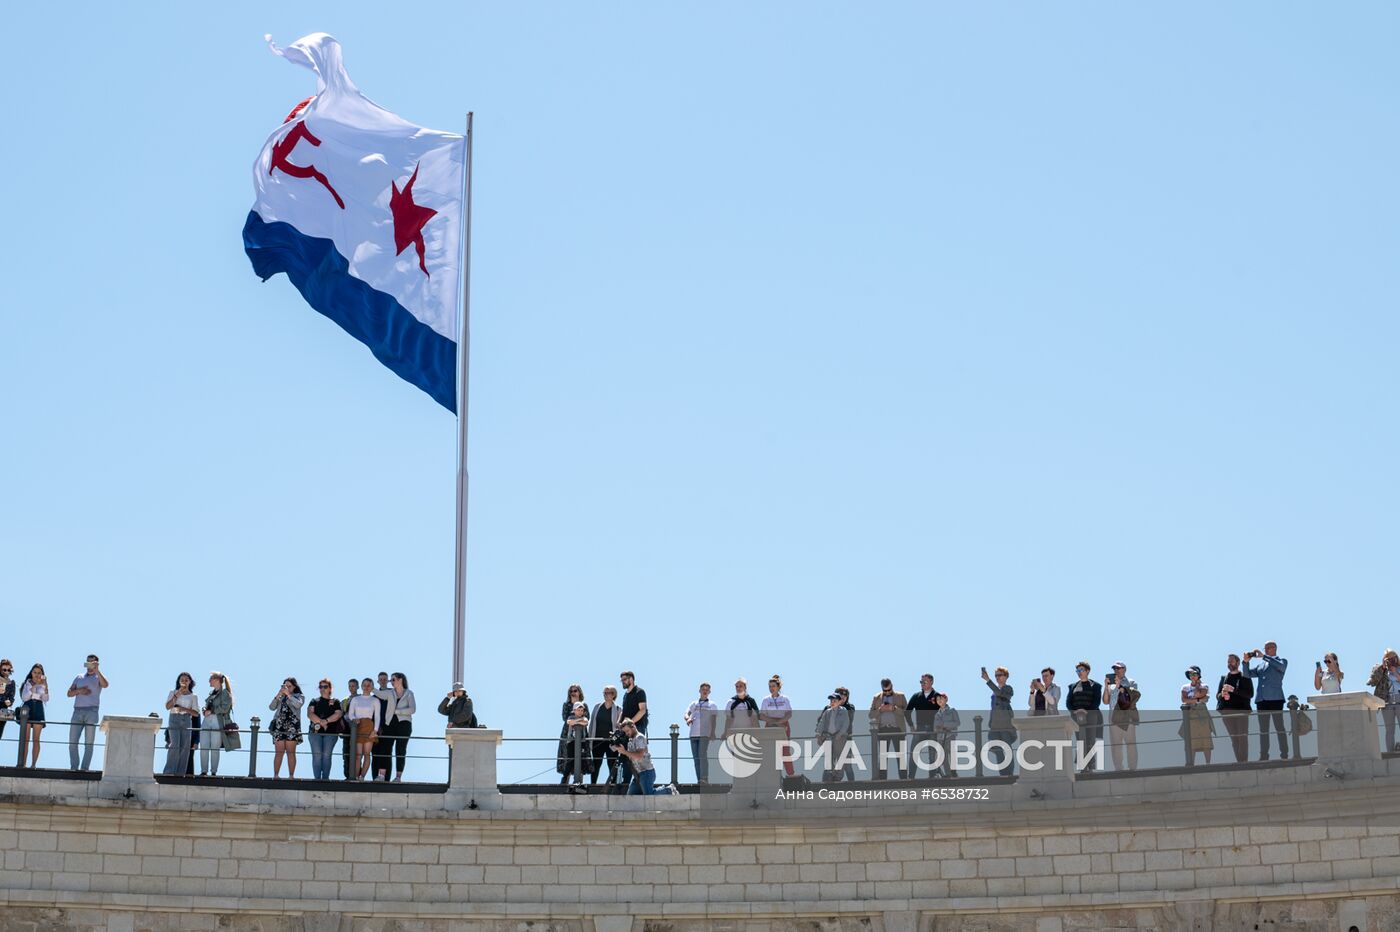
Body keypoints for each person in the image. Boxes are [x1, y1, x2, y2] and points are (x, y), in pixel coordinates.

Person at [1244, 641, 1289, 760]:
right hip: (1262, 700)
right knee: (1263, 730)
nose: (1268, 649)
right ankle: (1264, 755)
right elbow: (1247, 674)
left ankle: (1284, 754)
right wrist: (1245, 662)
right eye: (1266, 647)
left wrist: (1264, 656)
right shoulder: (1261, 665)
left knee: (1279, 727)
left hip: (1275, 699)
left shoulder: (1282, 661)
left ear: (1275, 648)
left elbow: (1281, 667)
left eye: (1270, 647)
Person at [66, 654, 107, 771]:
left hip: (92, 712)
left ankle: (84, 769)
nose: (89, 665)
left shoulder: (98, 677)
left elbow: (105, 685)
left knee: (89, 743)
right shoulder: (79, 677)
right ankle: (74, 767)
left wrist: (97, 671)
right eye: (88, 662)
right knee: (72, 742)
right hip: (77, 711)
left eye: (92, 663)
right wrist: (80, 690)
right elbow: (69, 693)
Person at [1065, 662, 1104, 773]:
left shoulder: (1095, 685)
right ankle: (1082, 767)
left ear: (1087, 671)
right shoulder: (1073, 686)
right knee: (1080, 741)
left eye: (1081, 670)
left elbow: (1096, 701)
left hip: (1091, 715)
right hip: (1077, 716)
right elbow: (1068, 702)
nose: (1079, 673)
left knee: (1090, 739)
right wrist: (1075, 711)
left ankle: (1091, 767)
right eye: (1077, 671)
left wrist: (1086, 710)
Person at [1216, 654, 1255, 763]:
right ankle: (1239, 761)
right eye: (1228, 662)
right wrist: (1222, 694)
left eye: (1231, 661)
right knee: (1234, 738)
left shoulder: (1245, 677)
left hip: (1242, 711)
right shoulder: (1224, 678)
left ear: (1238, 663)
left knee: (1242, 737)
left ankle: (1244, 761)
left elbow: (1250, 694)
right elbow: (1217, 695)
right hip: (1226, 712)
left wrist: (1234, 690)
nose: (1229, 664)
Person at [1103, 661, 1140, 772]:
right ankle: (1118, 768)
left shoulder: (1131, 682)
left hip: (1127, 716)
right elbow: (1105, 701)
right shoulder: (1111, 685)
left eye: (1119, 668)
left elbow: (1133, 697)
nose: (1116, 671)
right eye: (1115, 669)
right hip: (1114, 717)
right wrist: (1106, 687)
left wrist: (1120, 686)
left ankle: (1132, 768)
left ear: (1125, 669)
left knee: (1131, 743)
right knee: (1116, 744)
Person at [868, 678, 907, 780]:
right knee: (883, 756)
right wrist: (880, 710)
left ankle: (904, 779)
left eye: (889, 690)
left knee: (901, 755)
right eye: (885, 691)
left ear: (892, 686)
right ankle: (882, 780)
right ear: (882, 688)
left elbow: (906, 713)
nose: (887, 692)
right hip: (883, 730)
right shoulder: (876, 698)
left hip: (898, 729)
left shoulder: (900, 696)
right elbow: (871, 714)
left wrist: (894, 708)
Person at [306, 678, 345, 781]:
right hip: (315, 733)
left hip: (331, 733)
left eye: (325, 686)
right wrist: (322, 723)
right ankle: (317, 780)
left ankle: (325, 779)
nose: (322, 689)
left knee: (327, 756)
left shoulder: (336, 701)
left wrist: (326, 721)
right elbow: (310, 714)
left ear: (330, 688)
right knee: (317, 756)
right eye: (320, 687)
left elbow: (338, 714)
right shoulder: (314, 701)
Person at [162, 672, 199, 775]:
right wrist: (176, 695)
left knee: (185, 747)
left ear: (190, 682)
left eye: (186, 680)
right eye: (182, 680)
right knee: (175, 744)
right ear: (179, 682)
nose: (184, 682)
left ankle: (180, 773)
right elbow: (167, 707)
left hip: (186, 719)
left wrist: (183, 709)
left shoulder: (193, 696)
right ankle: (169, 771)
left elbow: (196, 713)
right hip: (174, 718)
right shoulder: (173, 692)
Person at [981, 665, 1015, 776]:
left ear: (1006, 676)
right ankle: (1003, 773)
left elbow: (1001, 694)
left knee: (1007, 750)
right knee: (997, 749)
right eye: (996, 676)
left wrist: (988, 680)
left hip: (1005, 725)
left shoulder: (1008, 689)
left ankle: (1008, 773)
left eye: (1000, 675)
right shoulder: (994, 692)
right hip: (995, 726)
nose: (997, 677)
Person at [268, 677, 305, 778]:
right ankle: (276, 775)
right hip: (279, 726)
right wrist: (279, 694)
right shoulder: (280, 696)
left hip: (292, 726)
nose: (287, 688)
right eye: (285, 686)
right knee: (279, 752)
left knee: (290, 752)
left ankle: (291, 776)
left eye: (289, 686)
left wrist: (288, 694)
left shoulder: (299, 696)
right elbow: (271, 707)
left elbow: (298, 705)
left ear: (294, 687)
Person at [346, 678, 381, 779]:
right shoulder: (355, 699)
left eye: (368, 685)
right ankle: (356, 776)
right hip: (357, 726)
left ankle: (362, 776)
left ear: (371, 687)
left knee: (367, 754)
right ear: (361, 686)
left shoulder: (375, 700)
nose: (366, 687)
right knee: (358, 755)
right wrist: (354, 719)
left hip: (369, 727)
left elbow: (377, 716)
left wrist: (375, 730)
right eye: (364, 685)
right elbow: (350, 714)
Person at [761, 675, 795, 778]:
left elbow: (789, 714)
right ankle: (770, 775)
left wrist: (780, 722)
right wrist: (773, 721)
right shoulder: (766, 700)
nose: (771, 688)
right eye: (769, 686)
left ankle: (791, 775)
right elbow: (761, 715)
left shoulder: (785, 699)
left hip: (783, 725)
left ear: (778, 687)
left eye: (773, 686)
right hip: (770, 725)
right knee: (769, 751)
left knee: (785, 751)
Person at [200, 672, 234, 776]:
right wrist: (204, 710)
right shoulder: (211, 693)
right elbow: (207, 706)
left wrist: (212, 711)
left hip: (217, 721)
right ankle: (204, 771)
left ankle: (213, 771)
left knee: (215, 747)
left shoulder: (225, 693)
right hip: (206, 721)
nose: (209, 681)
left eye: (211, 678)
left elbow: (225, 707)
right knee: (204, 746)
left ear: (217, 680)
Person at [684, 682, 718, 784]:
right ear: (699, 691)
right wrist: (688, 719)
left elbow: (714, 720)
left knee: (702, 754)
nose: (705, 691)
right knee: (696, 758)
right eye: (703, 689)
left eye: (707, 690)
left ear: (709, 692)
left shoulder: (712, 705)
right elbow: (686, 713)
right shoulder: (693, 704)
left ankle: (704, 778)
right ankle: (699, 779)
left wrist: (713, 733)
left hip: (704, 733)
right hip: (693, 733)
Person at [905, 673, 939, 778]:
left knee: (932, 754)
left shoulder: (937, 696)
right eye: (921, 682)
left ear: (931, 682)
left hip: (933, 729)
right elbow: (907, 712)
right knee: (914, 753)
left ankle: (932, 777)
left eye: (924, 682)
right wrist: (911, 726)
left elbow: (943, 711)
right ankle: (911, 778)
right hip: (919, 729)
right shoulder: (916, 696)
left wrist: (939, 727)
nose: (922, 684)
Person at [613, 719, 658, 795]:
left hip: (647, 772)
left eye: (627, 731)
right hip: (638, 774)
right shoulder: (630, 741)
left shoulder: (639, 738)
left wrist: (624, 752)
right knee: (631, 797)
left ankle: (668, 790)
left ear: (633, 726)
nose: (626, 733)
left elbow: (639, 756)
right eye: (625, 732)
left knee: (648, 796)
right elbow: (631, 760)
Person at [1180, 666, 1215, 765]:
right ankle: (1191, 763)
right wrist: (1199, 700)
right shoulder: (1185, 687)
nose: (1192, 676)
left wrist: (1198, 687)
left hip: (1202, 713)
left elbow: (1199, 694)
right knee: (1191, 739)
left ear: (1199, 675)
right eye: (1190, 674)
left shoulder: (1204, 685)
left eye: (1194, 674)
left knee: (1206, 739)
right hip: (1190, 713)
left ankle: (1208, 763)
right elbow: (1184, 699)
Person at [590, 685, 624, 788]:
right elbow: (591, 724)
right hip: (597, 740)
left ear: (613, 695)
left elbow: (619, 728)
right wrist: (590, 739)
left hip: (611, 742)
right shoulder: (597, 707)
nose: (605, 695)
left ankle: (613, 785)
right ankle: (593, 785)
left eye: (608, 693)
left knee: (612, 764)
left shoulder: (618, 709)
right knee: (596, 764)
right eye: (604, 693)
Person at [384, 673, 416, 782]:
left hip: (404, 724)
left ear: (400, 680)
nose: (391, 682)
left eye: (393, 679)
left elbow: (412, 710)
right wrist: (372, 688)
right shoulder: (390, 693)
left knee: (400, 750)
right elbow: (379, 694)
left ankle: (398, 777)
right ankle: (382, 775)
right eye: (390, 680)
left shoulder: (409, 694)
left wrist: (398, 711)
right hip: (390, 724)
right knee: (387, 748)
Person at [1369, 650, 1400, 753]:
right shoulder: (1380, 670)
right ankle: (1390, 752)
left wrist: (1395, 672)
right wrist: (1382, 667)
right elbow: (1372, 682)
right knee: (1389, 729)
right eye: (1389, 659)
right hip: (1387, 700)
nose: (1391, 661)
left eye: (1393, 658)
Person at [815, 692, 849, 783]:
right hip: (828, 737)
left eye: (834, 701)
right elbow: (821, 723)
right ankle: (831, 776)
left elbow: (846, 724)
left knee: (840, 758)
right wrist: (818, 734)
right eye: (831, 701)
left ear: (839, 701)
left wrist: (840, 734)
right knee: (829, 758)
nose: (832, 702)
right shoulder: (827, 712)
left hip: (839, 737)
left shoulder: (843, 710)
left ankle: (838, 777)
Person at [557, 685, 588, 786]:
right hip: (568, 734)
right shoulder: (566, 705)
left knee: (581, 757)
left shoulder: (584, 705)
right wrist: (578, 720)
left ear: (579, 692)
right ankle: (565, 781)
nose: (573, 693)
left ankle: (579, 782)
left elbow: (587, 718)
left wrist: (575, 721)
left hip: (582, 735)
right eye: (571, 691)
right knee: (568, 758)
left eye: (575, 690)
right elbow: (565, 719)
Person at [20, 663, 49, 768]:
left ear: (42, 674)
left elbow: (45, 699)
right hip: (27, 709)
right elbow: (24, 697)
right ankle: (23, 764)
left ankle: (33, 765)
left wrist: (45, 687)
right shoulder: (27, 683)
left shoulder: (44, 684)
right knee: (25, 739)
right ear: (31, 673)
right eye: (35, 672)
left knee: (36, 739)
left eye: (39, 673)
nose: (37, 675)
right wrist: (36, 687)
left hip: (38, 709)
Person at [372, 672, 396, 781]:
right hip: (375, 728)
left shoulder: (393, 693)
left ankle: (386, 779)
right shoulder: (373, 697)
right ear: (378, 681)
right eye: (380, 679)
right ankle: (375, 777)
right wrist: (375, 727)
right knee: (375, 753)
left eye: (384, 679)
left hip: (389, 727)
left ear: (388, 681)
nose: (382, 681)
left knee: (387, 753)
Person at [933, 692, 961, 777]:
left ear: (946, 699)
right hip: (940, 737)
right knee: (943, 756)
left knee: (951, 754)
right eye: (937, 700)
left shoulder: (952, 711)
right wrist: (940, 728)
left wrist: (944, 725)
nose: (939, 701)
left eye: (941, 698)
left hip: (950, 735)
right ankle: (948, 773)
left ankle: (953, 771)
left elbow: (957, 723)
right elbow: (935, 727)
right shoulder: (937, 714)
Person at [835, 687, 857, 782]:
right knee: (830, 765)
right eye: (840, 694)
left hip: (845, 739)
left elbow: (848, 719)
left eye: (845, 695)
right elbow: (821, 720)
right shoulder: (829, 707)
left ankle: (852, 787)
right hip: (832, 740)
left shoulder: (850, 707)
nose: (843, 696)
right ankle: (827, 789)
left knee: (847, 765)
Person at [341, 677, 361, 780]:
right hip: (347, 729)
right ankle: (347, 775)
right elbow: (341, 714)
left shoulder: (362, 698)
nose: (351, 688)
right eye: (349, 686)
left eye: (353, 686)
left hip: (359, 729)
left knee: (358, 754)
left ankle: (357, 775)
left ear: (357, 687)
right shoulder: (344, 701)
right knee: (346, 753)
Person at [0, 659, 16, 744]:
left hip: (3, 710)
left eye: (8, 670)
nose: (6, 671)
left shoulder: (12, 683)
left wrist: (9, 701)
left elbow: (11, 697)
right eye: (4, 669)